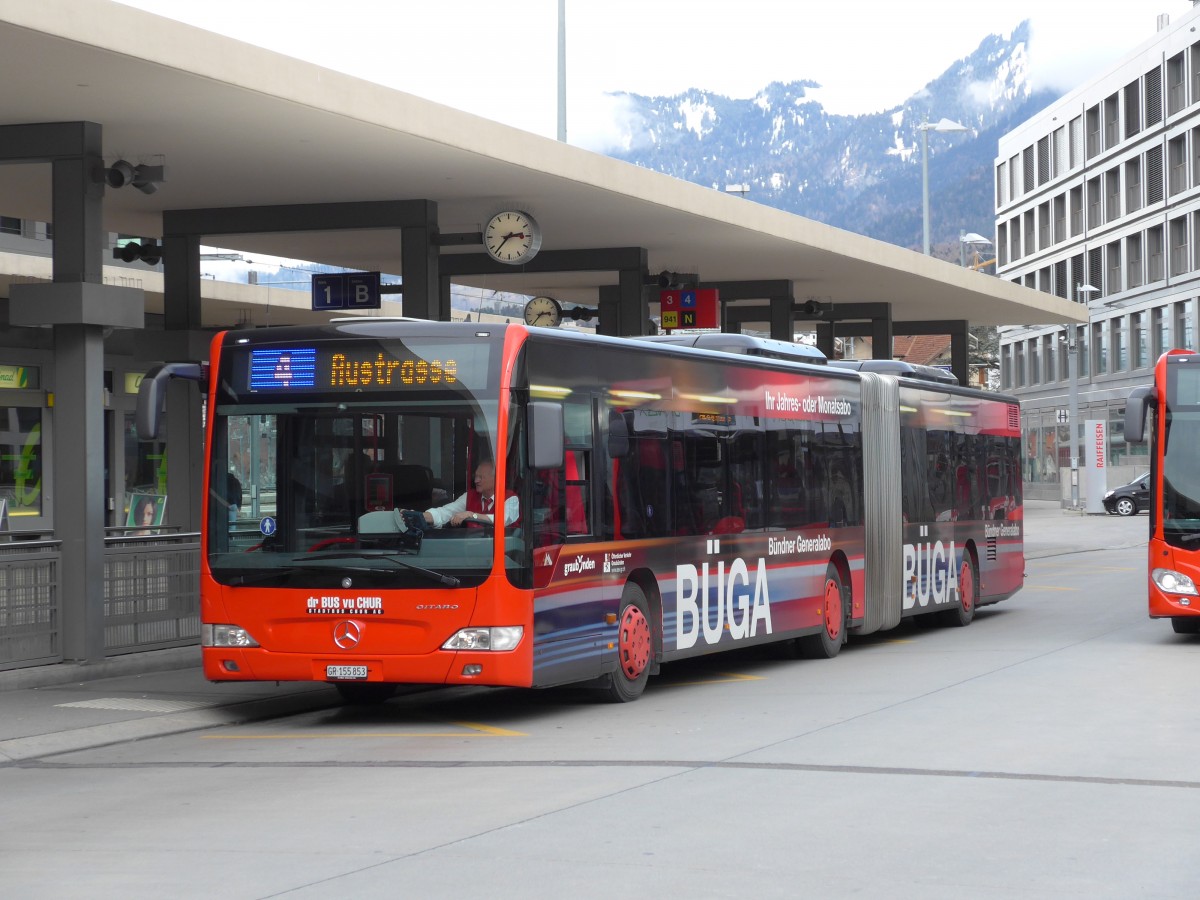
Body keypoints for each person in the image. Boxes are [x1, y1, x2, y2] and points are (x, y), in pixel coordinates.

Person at [415, 459, 518, 528]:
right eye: (476, 476)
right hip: (471, 554)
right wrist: (418, 516)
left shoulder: (511, 498)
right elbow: (446, 512)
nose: (476, 481)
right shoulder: (469, 496)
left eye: (481, 477)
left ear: (496, 479)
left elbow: (503, 520)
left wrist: (472, 515)